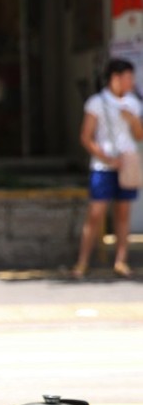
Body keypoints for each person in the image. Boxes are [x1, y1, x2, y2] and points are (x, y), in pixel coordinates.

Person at [72, 58, 143, 279]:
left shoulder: (134, 103)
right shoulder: (96, 102)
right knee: (96, 213)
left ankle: (120, 261)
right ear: (115, 78)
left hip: (128, 164)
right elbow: (86, 136)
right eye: (128, 77)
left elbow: (139, 136)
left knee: (123, 213)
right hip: (103, 166)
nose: (131, 82)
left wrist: (133, 120)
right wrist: (108, 158)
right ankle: (82, 261)